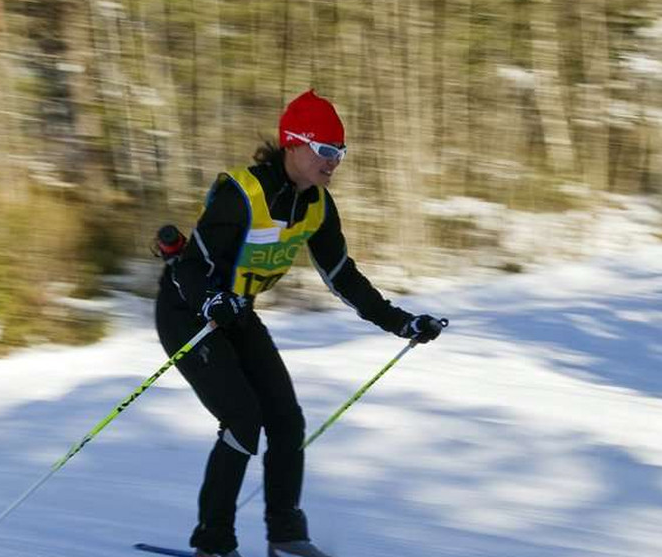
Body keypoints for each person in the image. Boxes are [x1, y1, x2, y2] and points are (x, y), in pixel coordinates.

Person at [154, 89, 446, 557]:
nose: (334, 163)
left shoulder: (317, 206)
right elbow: (189, 265)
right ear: (294, 142)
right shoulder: (243, 193)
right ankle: (213, 544)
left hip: (237, 312)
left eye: (340, 153)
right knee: (243, 419)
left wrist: (403, 323)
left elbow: (342, 277)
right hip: (187, 312)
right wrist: (210, 302)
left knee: (287, 422)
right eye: (326, 150)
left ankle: (286, 537)